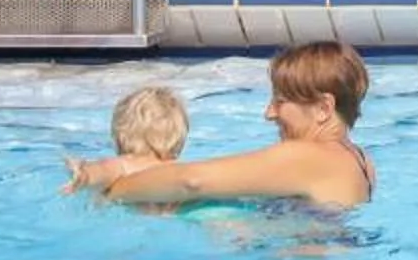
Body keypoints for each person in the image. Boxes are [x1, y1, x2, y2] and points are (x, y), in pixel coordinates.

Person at [67, 42, 374, 209]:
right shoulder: (360, 160)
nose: (269, 113)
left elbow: (192, 181)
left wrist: (113, 192)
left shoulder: (308, 156)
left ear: (323, 108)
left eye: (280, 102)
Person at [57, 84, 189, 196]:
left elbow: (102, 172)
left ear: (120, 137)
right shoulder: (181, 169)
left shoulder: (125, 165)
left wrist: (82, 174)